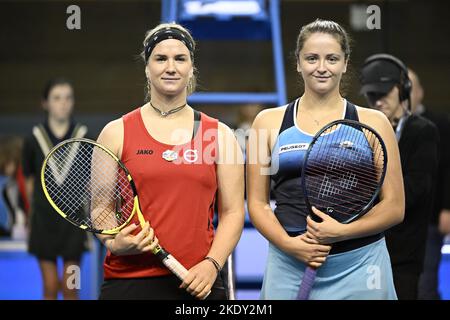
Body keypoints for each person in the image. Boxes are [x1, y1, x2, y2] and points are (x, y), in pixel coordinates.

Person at [247, 19, 404, 300]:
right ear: (298, 63)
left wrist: (343, 231)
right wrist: (290, 244)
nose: (322, 67)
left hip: (361, 265)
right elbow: (257, 203)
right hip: (289, 262)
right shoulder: (266, 122)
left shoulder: (375, 123)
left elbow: (394, 206)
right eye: (312, 58)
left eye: (332, 58)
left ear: (345, 64)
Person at [95, 23, 245, 300]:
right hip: (129, 281)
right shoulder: (116, 132)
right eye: (161, 58)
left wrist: (212, 265)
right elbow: (101, 207)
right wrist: (114, 242)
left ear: (191, 68)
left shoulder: (220, 135)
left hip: (198, 280)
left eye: (180, 58)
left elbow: (233, 213)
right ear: (146, 67)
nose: (171, 67)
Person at [360, 55, 439, 299]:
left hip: (404, 252)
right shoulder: (360, 130)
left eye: (384, 93)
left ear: (402, 89)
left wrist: (369, 199)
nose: (378, 101)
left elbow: (417, 189)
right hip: (365, 250)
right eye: (372, 95)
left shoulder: (422, 130)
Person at [22, 78, 89, 299]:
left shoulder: (85, 136)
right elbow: (30, 181)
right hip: (43, 225)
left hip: (74, 227)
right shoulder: (33, 139)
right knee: (50, 287)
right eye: (57, 98)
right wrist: (28, 217)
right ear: (45, 103)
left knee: (72, 288)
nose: (63, 103)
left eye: (68, 98)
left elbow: (91, 183)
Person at [409, 69, 450, 300]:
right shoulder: (384, 124)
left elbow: (448, 167)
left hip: (431, 219)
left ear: (421, 92)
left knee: (425, 285)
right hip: (395, 221)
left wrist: (447, 207)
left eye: (411, 87)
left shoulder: (441, 124)